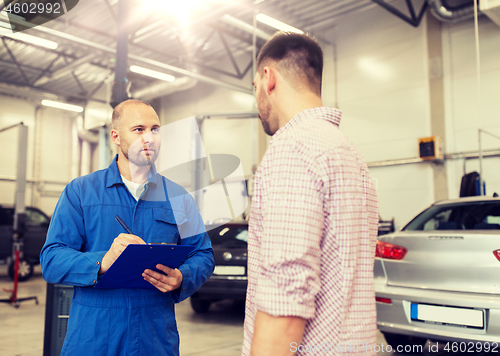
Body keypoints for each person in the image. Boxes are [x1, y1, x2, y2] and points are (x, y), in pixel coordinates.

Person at [40, 99, 215, 356]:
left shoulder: (178, 197)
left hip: (154, 337)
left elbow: (203, 254)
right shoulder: (80, 192)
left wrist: (182, 277)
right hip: (93, 337)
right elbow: (51, 259)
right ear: (116, 136)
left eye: (155, 129)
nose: (150, 137)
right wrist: (102, 261)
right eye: (138, 129)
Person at [243, 32, 379, 356]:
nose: (257, 100)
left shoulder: (292, 149)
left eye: (254, 89)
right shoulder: (348, 152)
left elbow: (287, 296)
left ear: (268, 78)